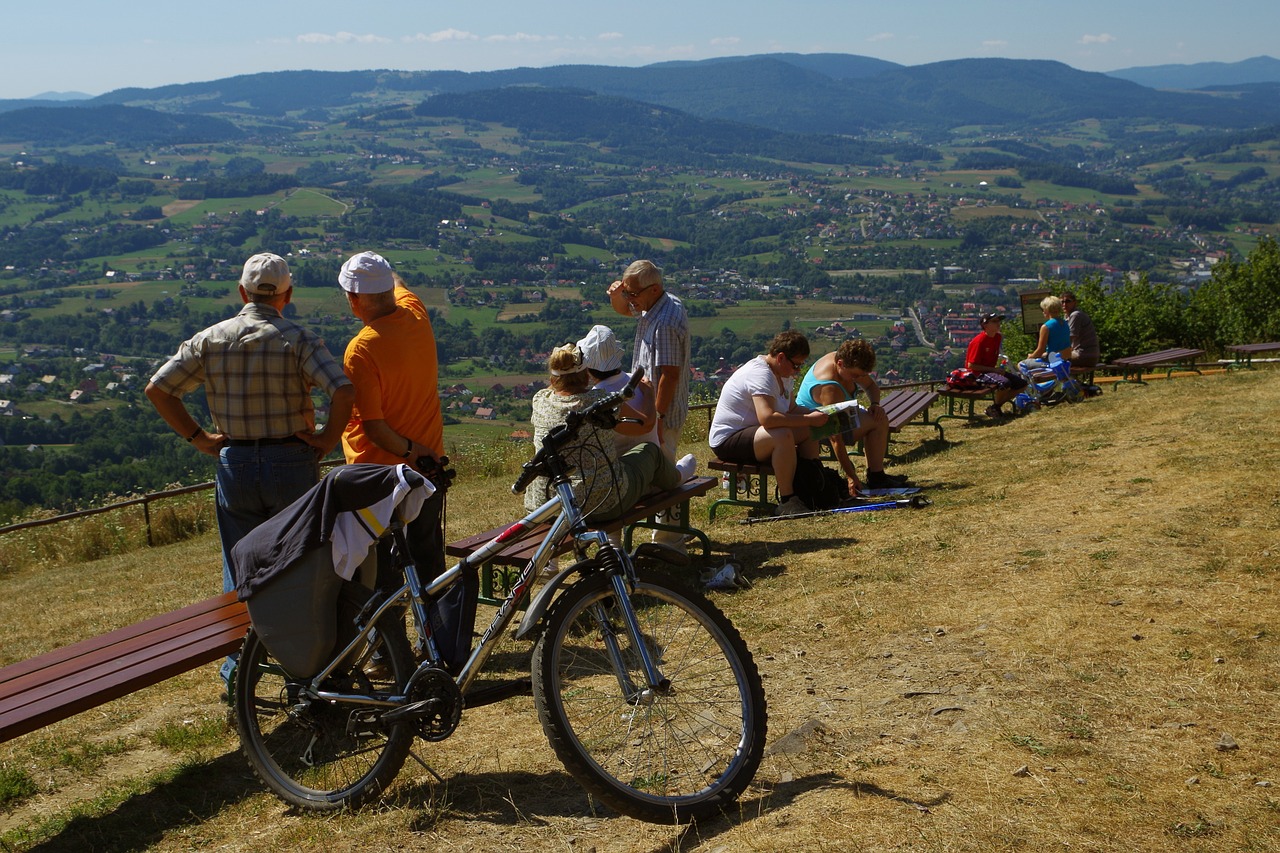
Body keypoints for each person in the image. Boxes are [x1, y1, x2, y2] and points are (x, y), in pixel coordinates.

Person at [145, 252, 354, 689]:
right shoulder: (299, 338)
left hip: (235, 464)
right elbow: (343, 390)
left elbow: (159, 390)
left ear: (241, 292)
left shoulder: (210, 339)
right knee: (298, 568)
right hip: (292, 462)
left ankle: (237, 676)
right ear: (288, 294)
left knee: (238, 570)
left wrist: (199, 439)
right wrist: (325, 438)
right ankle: (308, 674)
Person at [336, 251, 474, 674]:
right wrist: (422, 454)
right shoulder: (415, 314)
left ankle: (386, 656)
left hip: (380, 476)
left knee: (381, 572)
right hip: (427, 471)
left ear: (353, 299)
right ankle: (438, 644)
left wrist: (411, 449)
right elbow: (393, 279)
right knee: (429, 557)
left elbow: (376, 429)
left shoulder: (361, 350)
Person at [526, 343, 683, 523]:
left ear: (553, 380)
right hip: (600, 504)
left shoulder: (539, 400)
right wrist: (649, 394)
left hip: (546, 506)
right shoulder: (599, 402)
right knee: (649, 451)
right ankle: (678, 477)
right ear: (587, 376)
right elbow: (645, 424)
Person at [606, 260, 690, 549]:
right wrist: (618, 296)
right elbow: (624, 309)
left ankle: (670, 545)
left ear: (653, 289)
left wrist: (659, 417)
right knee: (658, 476)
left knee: (666, 480)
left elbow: (669, 373)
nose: (630, 300)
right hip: (649, 412)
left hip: (658, 413)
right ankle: (665, 541)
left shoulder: (664, 321)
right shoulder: (655, 304)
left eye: (633, 294)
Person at [708, 330, 827, 517]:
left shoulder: (782, 373)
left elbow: (792, 408)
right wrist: (809, 418)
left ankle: (811, 486)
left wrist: (820, 416)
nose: (797, 371)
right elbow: (768, 418)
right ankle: (788, 500)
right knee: (782, 434)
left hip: (755, 434)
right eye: (796, 365)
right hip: (728, 439)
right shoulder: (760, 374)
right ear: (781, 357)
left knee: (809, 430)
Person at [577, 324, 697, 477]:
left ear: (588, 367)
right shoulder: (641, 383)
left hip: (623, 477)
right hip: (654, 472)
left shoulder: (595, 400)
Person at [795, 338, 909, 494]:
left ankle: (877, 476)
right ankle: (876, 479)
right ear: (840, 364)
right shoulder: (829, 387)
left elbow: (870, 386)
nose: (857, 379)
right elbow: (835, 438)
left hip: (842, 414)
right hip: (817, 429)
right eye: (854, 375)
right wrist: (851, 476)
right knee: (876, 422)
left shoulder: (847, 362)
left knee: (879, 417)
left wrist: (875, 404)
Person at [965, 313, 1029, 419]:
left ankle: (995, 407)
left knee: (1022, 384)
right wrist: (994, 370)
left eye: (998, 321)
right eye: (994, 321)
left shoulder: (997, 337)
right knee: (1004, 383)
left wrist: (997, 370)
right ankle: (995, 408)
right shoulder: (979, 341)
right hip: (977, 374)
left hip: (991, 371)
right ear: (985, 325)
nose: (998, 323)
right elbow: (971, 365)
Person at [1026, 295, 1072, 363]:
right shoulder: (1065, 323)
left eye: (1043, 309)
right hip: (1066, 359)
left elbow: (1040, 350)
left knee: (1021, 364)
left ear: (1047, 309)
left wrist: (1030, 357)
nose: (1043, 311)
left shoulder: (1046, 327)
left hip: (1053, 361)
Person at [1060, 290, 1100, 369]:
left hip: (1084, 355)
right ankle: (1069, 380)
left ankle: (1068, 381)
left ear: (1075, 302)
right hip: (1086, 355)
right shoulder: (1067, 316)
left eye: (1068, 301)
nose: (1064, 304)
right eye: (1062, 302)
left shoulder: (1076, 315)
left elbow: (1069, 339)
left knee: (1053, 360)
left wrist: (1053, 352)